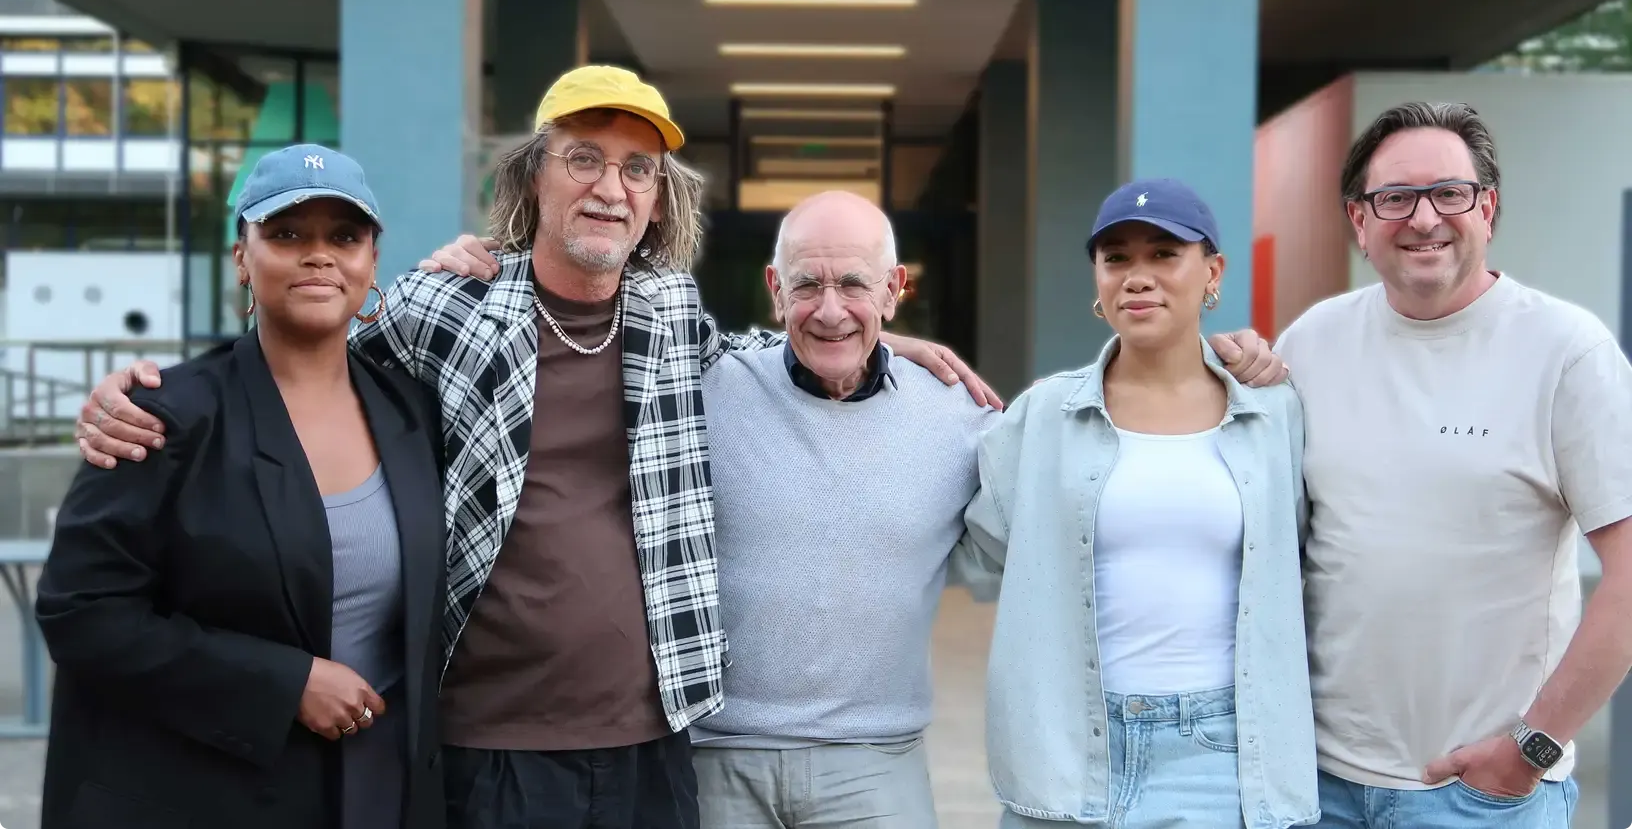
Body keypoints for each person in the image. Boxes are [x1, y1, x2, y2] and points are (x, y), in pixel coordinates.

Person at [64, 65, 1000, 829]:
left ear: (657, 200)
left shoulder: (672, 311)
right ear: (534, 179)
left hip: (654, 740)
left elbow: (769, 346)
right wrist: (145, 394)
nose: (610, 187)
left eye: (637, 170)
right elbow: (304, 351)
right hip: (489, 745)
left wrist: (880, 340)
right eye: (583, 159)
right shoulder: (445, 306)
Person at [34, 144, 448, 829]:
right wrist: (284, 684)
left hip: (380, 785)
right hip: (208, 793)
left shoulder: (411, 410)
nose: (319, 255)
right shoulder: (162, 417)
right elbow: (81, 612)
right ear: (241, 259)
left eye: (344, 237)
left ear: (372, 262)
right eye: (286, 234)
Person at [1273, 102, 1632, 828]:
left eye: (1449, 193)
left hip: (1483, 798)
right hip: (1316, 787)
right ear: (1359, 220)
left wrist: (1529, 749)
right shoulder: (1311, 343)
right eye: (1395, 198)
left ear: (1487, 209)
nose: (1424, 217)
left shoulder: (1567, 352)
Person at [954, 178, 1319, 829]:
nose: (1137, 276)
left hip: (1219, 755)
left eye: (1164, 254)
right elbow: (979, 547)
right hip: (1066, 751)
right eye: (1116, 257)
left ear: (1213, 272)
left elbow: (1304, 550)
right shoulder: (1043, 416)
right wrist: (890, 348)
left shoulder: (1273, 413)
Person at [683, 189, 998, 828]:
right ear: (776, 291)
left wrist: (1209, 368)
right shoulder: (703, 389)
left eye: (854, 284)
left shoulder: (959, 416)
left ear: (893, 290)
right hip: (714, 760)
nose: (830, 311)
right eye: (807, 285)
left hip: (875, 763)